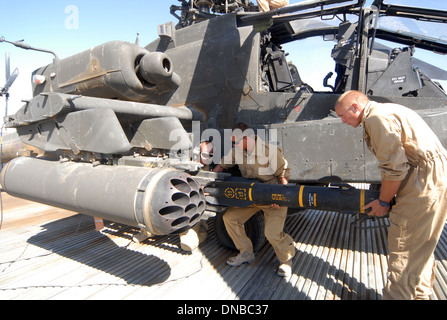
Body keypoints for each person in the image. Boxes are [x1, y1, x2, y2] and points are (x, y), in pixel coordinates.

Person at [334, 90, 447, 300]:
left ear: (356, 107)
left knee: (404, 249)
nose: (342, 121)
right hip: (434, 177)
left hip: (422, 181)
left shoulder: (376, 118)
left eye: (343, 115)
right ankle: (419, 295)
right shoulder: (388, 110)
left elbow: (394, 169)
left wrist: (383, 202)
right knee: (420, 247)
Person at [213, 122, 296, 277]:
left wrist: (281, 198)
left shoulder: (269, 152)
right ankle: (246, 253)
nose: (234, 144)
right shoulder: (237, 151)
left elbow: (283, 176)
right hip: (252, 197)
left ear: (247, 138)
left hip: (273, 197)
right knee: (230, 218)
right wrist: (209, 183)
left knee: (272, 233)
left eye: (236, 141)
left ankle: (286, 260)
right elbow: (222, 165)